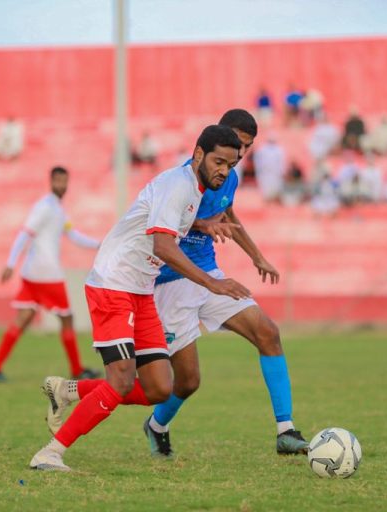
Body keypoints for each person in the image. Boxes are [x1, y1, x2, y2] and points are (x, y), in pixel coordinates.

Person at [29, 125, 249, 471]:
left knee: (159, 388)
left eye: (230, 165)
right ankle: (50, 453)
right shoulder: (177, 185)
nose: (224, 170)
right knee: (120, 379)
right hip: (114, 283)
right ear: (198, 154)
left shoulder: (194, 189)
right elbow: (163, 245)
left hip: (141, 289)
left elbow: (164, 221)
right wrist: (212, 283)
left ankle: (68, 391)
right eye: (218, 161)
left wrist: (203, 226)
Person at [0, 167, 101, 383]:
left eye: (64, 181)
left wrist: (98, 244)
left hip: (32, 273)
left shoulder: (57, 208)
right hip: (47, 273)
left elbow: (72, 234)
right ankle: (77, 369)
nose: (62, 185)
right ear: (51, 181)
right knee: (67, 318)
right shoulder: (44, 207)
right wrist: (10, 263)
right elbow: (25, 233)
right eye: (58, 180)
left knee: (24, 317)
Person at [253, 134, 286, 201]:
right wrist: (259, 169)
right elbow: (257, 160)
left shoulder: (279, 150)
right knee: (265, 186)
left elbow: (281, 162)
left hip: (275, 172)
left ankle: (274, 199)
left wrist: (282, 171)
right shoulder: (262, 149)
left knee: (275, 186)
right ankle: (266, 199)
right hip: (265, 172)